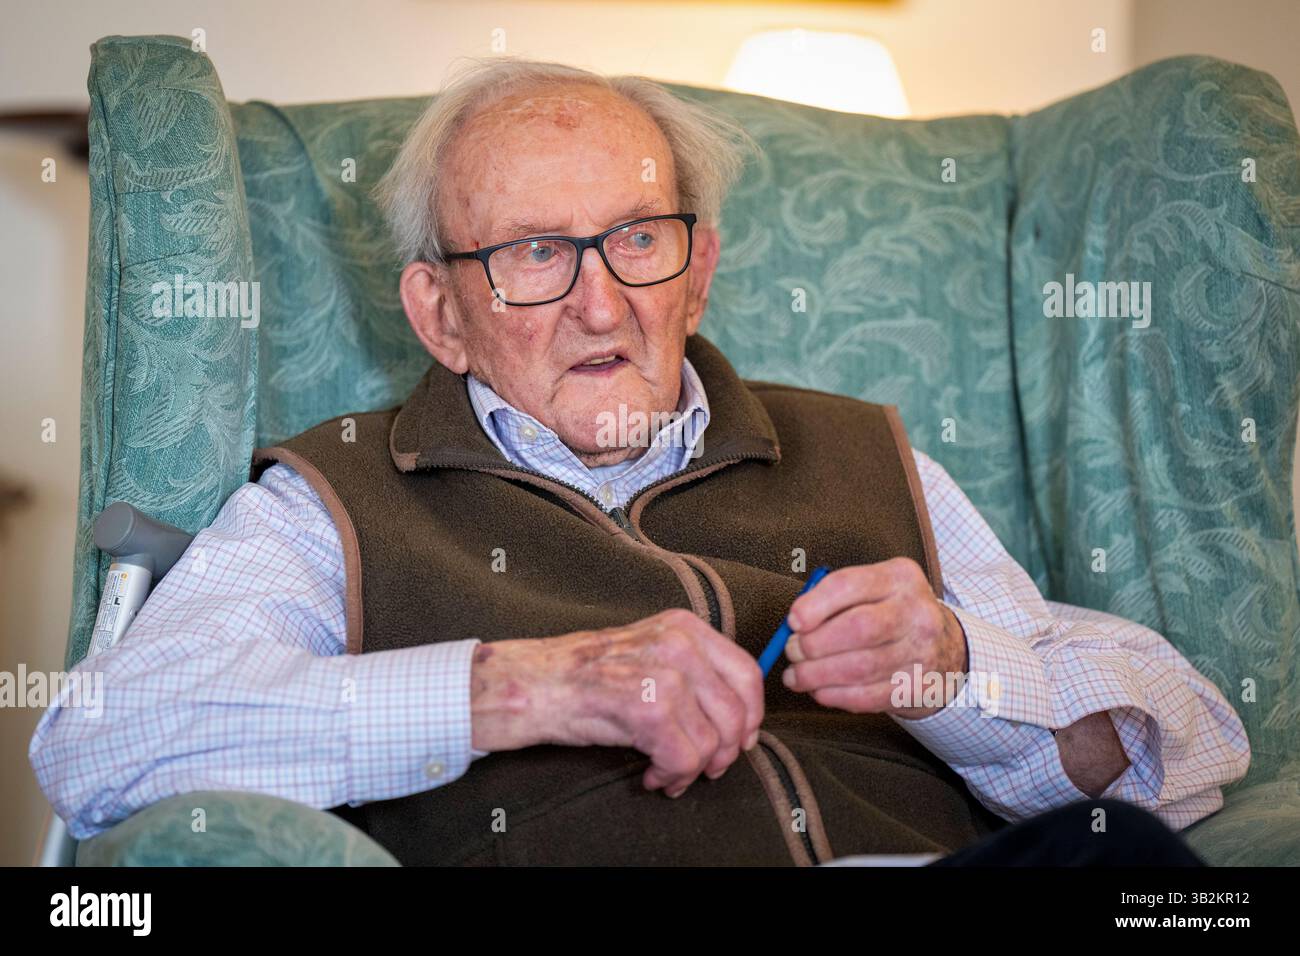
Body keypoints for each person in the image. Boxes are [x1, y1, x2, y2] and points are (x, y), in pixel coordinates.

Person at [31, 57, 1247, 866]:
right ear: (439, 313)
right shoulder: (331, 500)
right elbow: (97, 737)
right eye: (532, 254)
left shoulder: (864, 453)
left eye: (636, 240)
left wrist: (956, 668)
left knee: (1129, 866)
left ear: (701, 268)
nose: (600, 306)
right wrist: (528, 686)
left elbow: (1192, 747)